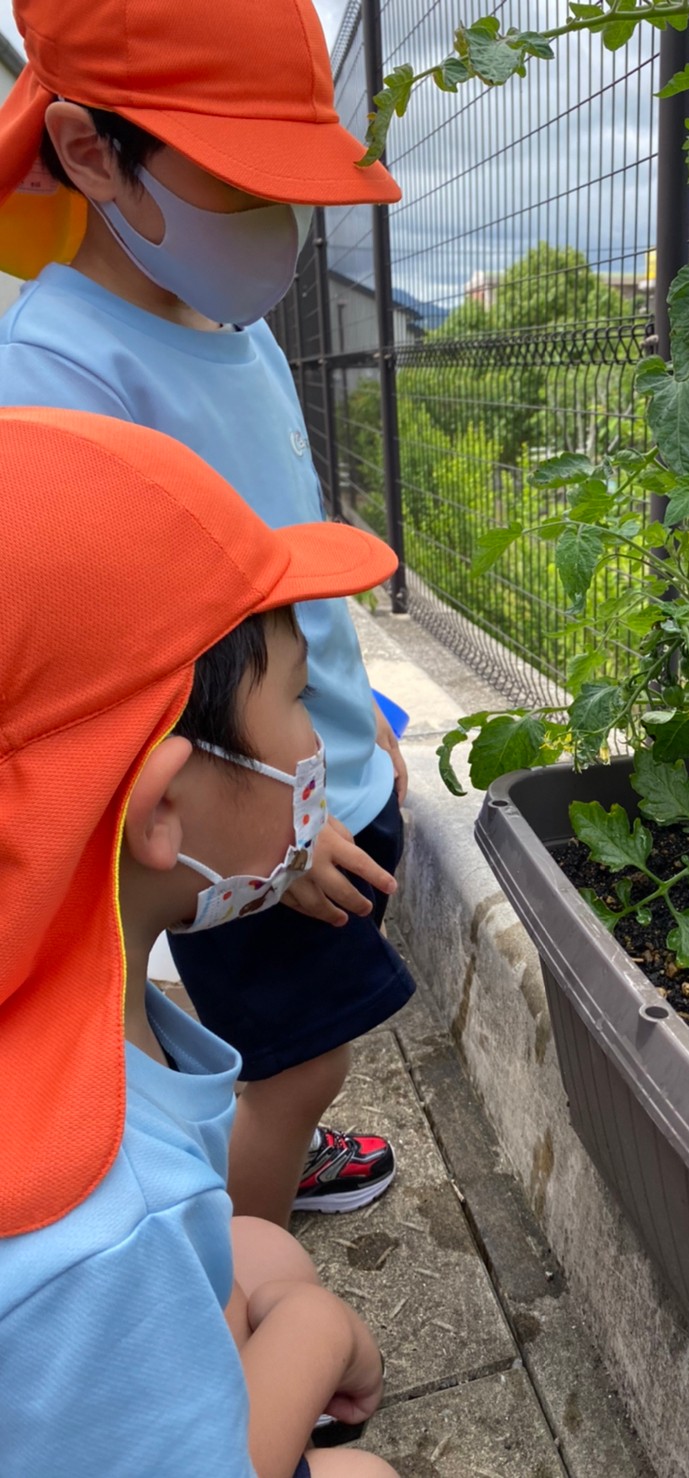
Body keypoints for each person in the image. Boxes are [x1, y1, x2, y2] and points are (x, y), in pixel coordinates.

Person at [0, 0, 417, 1227]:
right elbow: (116, 657)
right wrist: (278, 831)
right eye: (239, 178)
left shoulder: (241, 328)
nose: (277, 221)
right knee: (299, 1063)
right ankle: (240, 1268)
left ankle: (267, 1149)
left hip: (312, 769)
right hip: (248, 818)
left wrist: (357, 709)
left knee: (288, 1043)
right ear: (89, 152)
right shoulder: (58, 374)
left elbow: (284, 553)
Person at [0, 405, 402, 1477]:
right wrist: (315, 1335)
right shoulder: (102, 1217)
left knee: (256, 1244)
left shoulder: (64, 1008)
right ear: (163, 808)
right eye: (298, 699)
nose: (317, 744)